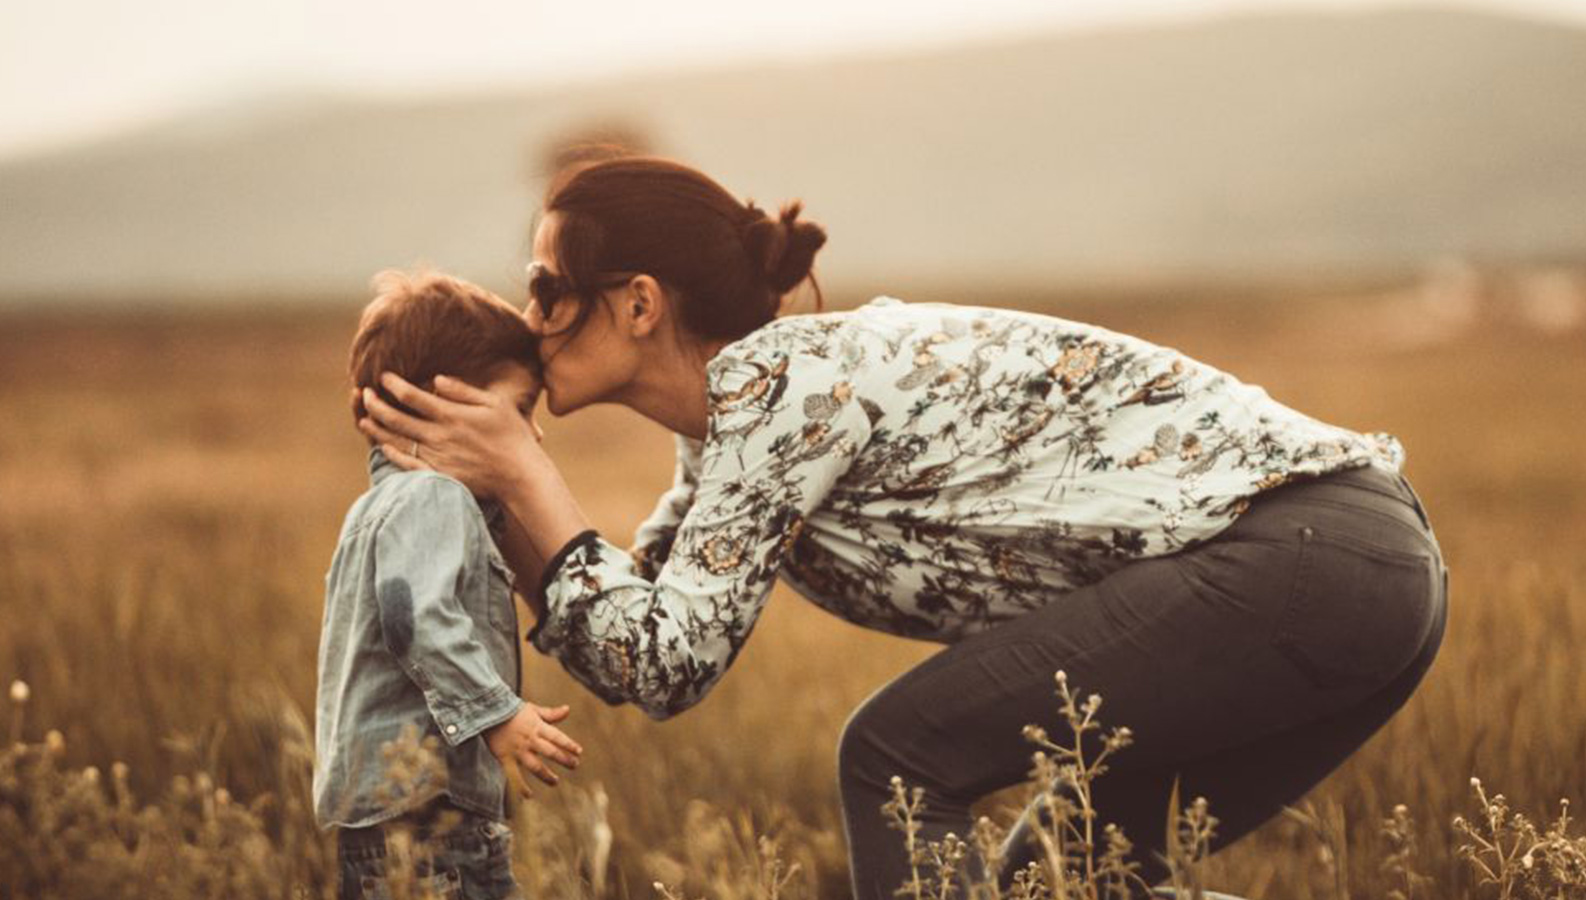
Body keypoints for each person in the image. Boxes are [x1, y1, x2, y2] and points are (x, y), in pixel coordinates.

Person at [356, 157, 1449, 899]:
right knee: (1062, 885)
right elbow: (639, 656)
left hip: (1309, 558)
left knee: (893, 758)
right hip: (1353, 574)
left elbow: (671, 657)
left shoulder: (783, 386)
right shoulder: (729, 445)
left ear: (638, 302)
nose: (530, 312)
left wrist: (526, 472)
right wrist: (500, 493)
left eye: (546, 285)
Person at [316, 269, 584, 900]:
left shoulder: (378, 507)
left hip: (386, 809)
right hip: (426, 808)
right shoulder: (433, 497)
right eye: (520, 410)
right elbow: (416, 618)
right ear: (444, 402)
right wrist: (497, 715)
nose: (532, 436)